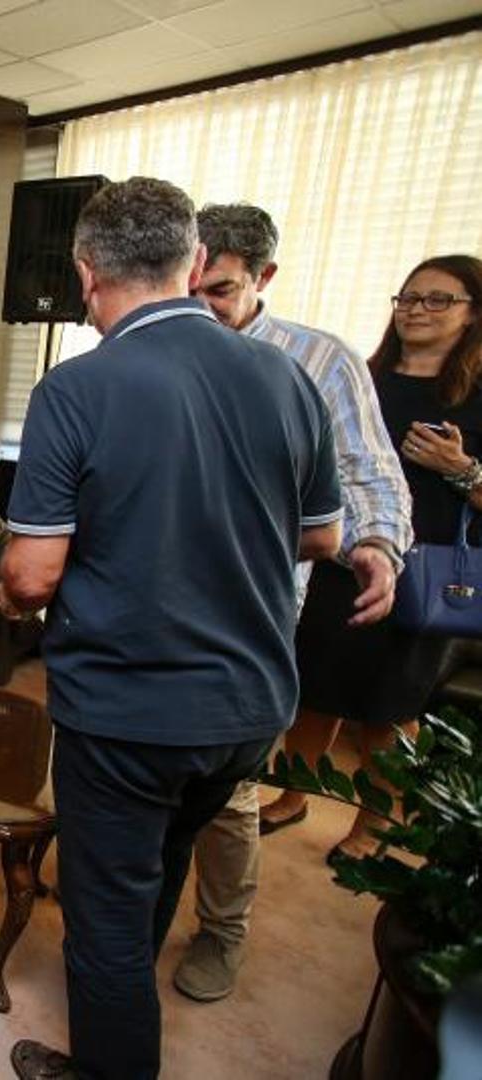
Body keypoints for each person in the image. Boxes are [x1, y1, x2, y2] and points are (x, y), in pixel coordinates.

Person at [0, 178, 342, 1080]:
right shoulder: (285, 376)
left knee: (103, 920)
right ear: (193, 264)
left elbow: (30, 577)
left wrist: (20, 587)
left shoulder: (76, 388)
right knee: (162, 861)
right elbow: (322, 536)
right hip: (250, 709)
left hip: (128, 717)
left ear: (84, 273)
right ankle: (124, 1011)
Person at [172, 202, 413, 1002]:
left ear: (262, 276)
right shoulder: (150, 344)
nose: (200, 307)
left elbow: (369, 473)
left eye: (218, 291)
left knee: (228, 794)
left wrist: (374, 545)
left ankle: (220, 930)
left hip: (249, 617)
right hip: (149, 606)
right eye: (188, 288)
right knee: (126, 774)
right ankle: (125, 907)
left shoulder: (318, 361)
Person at [262, 254, 482, 856]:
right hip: (341, 558)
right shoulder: (359, 376)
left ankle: (376, 823)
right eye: (408, 297)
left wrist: (462, 469)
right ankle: (292, 794)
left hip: (426, 571)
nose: (416, 310)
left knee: (389, 704)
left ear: (472, 314)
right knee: (314, 685)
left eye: (438, 299)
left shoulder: (475, 397)